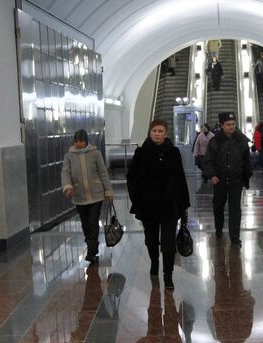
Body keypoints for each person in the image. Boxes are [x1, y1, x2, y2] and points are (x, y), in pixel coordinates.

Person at [127, 118, 190, 289]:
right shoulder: (141, 153)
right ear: (150, 132)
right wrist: (137, 199)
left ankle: (168, 274)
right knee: (151, 240)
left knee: (169, 243)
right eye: (154, 131)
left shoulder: (173, 152)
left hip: (169, 205)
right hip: (148, 205)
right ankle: (154, 261)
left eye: (160, 131)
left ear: (166, 133)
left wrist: (184, 203)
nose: (157, 134)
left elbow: (180, 178)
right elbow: (132, 178)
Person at [61, 129, 114, 265]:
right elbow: (65, 173)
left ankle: (91, 251)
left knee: (92, 221)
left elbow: (103, 173)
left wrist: (108, 191)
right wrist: (67, 187)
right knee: (85, 223)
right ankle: (91, 246)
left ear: (86, 141)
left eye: (81, 141)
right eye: (76, 141)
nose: (78, 144)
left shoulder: (95, 154)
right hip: (79, 196)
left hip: (96, 195)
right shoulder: (69, 156)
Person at [202, 111, 252, 246]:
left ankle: (235, 236)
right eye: (228, 124)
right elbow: (208, 160)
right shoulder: (215, 141)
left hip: (236, 180)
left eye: (233, 124)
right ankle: (219, 228)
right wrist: (212, 175)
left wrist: (246, 177)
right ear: (222, 125)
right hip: (220, 180)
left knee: (235, 209)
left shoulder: (241, 140)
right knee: (218, 207)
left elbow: (246, 160)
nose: (231, 127)